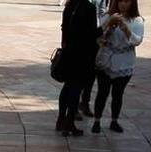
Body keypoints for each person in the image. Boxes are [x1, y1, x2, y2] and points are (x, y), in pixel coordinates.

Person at [91, 0, 143, 134]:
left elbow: (137, 41)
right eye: (120, 1)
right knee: (102, 92)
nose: (123, 5)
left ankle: (114, 120)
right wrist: (109, 26)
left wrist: (125, 28)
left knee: (118, 94)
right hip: (106, 60)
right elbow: (98, 38)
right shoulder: (108, 17)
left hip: (124, 61)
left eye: (127, 1)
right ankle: (97, 120)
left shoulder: (137, 20)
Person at [57, 0, 102, 136]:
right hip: (83, 56)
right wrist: (105, 27)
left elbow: (64, 29)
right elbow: (91, 34)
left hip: (69, 53)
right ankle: (69, 122)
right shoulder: (89, 8)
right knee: (76, 89)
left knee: (67, 87)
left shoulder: (69, 6)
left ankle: (61, 119)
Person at [78, 0, 109, 119]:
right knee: (78, 79)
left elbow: (101, 12)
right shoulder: (79, 5)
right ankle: (74, 108)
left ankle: (84, 102)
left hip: (94, 41)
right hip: (83, 42)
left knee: (90, 76)